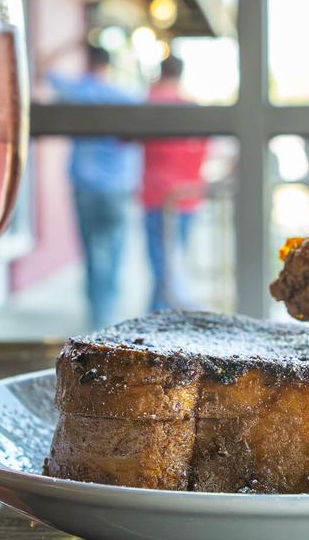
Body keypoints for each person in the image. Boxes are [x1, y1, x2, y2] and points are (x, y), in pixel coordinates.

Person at [48, 46, 141, 329]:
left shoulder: (76, 92)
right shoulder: (125, 97)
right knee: (113, 252)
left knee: (91, 252)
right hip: (117, 187)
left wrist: (68, 43)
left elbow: (41, 68)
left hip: (86, 186)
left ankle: (97, 315)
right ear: (108, 65)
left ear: (87, 61)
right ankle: (107, 315)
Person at [142, 54, 208, 311]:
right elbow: (203, 148)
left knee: (163, 267)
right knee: (174, 264)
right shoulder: (190, 107)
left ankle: (157, 323)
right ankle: (160, 320)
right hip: (188, 194)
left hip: (157, 194)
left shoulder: (149, 104)